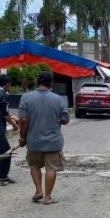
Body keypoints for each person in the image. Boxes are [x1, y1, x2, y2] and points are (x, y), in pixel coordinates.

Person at [17, 71, 69, 204]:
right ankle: (47, 197)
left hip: (33, 141)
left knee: (34, 165)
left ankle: (38, 190)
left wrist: (22, 138)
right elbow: (65, 120)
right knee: (51, 169)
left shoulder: (26, 98)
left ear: (38, 82)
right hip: (53, 142)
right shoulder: (59, 99)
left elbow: (22, 120)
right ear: (51, 83)